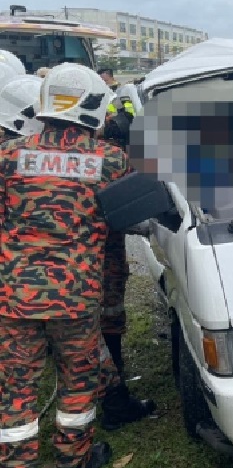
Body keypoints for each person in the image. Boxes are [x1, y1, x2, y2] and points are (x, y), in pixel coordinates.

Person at [0, 64, 125, 468]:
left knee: (15, 391)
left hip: (14, 299)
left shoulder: (8, 156)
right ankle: (73, 464)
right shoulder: (111, 160)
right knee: (78, 382)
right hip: (76, 298)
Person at [95, 72, 157, 430]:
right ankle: (113, 397)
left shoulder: (11, 156)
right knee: (101, 325)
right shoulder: (111, 159)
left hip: (24, 283)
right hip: (95, 267)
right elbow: (136, 208)